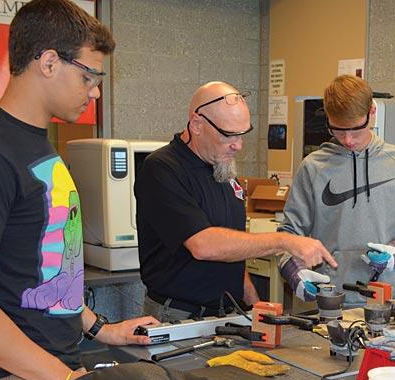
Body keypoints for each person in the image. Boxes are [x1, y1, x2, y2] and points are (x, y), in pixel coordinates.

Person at [0, 0, 157, 380]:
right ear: (48, 63)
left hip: (47, 373)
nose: (95, 92)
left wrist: (101, 329)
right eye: (89, 76)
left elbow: (50, 265)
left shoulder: (36, 144)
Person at [135, 81, 336, 322]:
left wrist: (254, 306)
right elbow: (204, 245)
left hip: (225, 312)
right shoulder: (163, 169)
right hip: (177, 315)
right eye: (228, 135)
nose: (238, 145)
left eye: (242, 134)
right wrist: (284, 240)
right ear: (197, 124)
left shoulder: (222, 169)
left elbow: (231, 250)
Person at [277, 75, 395, 309]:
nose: (348, 140)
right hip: (333, 299)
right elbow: (288, 233)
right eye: (338, 130)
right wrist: (294, 273)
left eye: (356, 130)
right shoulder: (313, 167)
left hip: (391, 297)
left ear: (371, 113)